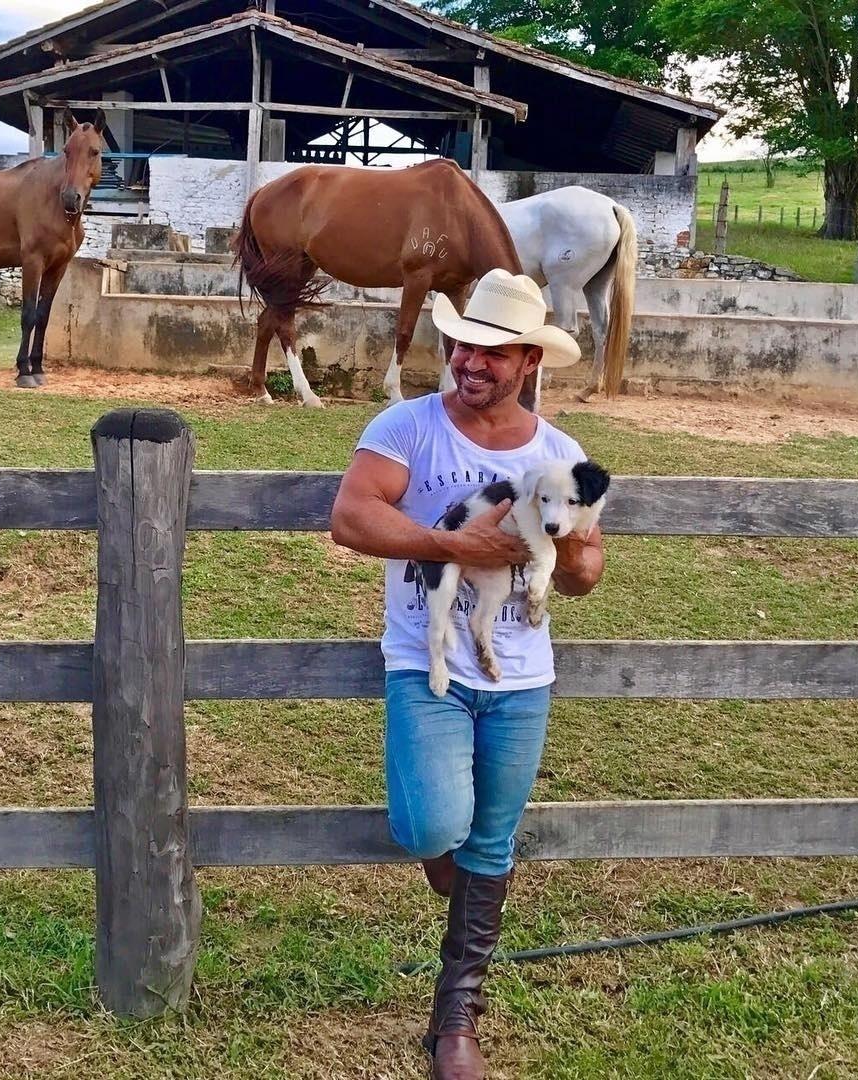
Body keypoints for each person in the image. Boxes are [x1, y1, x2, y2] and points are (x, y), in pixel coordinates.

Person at [330, 269, 606, 1079]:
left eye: (490, 351)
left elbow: (587, 571)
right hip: (429, 658)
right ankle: (467, 885)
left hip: (523, 675)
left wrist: (576, 553)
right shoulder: (407, 426)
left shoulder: (560, 454)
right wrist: (457, 545)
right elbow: (351, 517)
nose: (468, 360)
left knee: (491, 838)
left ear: (527, 361)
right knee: (430, 828)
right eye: (460, 344)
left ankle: (457, 1023)